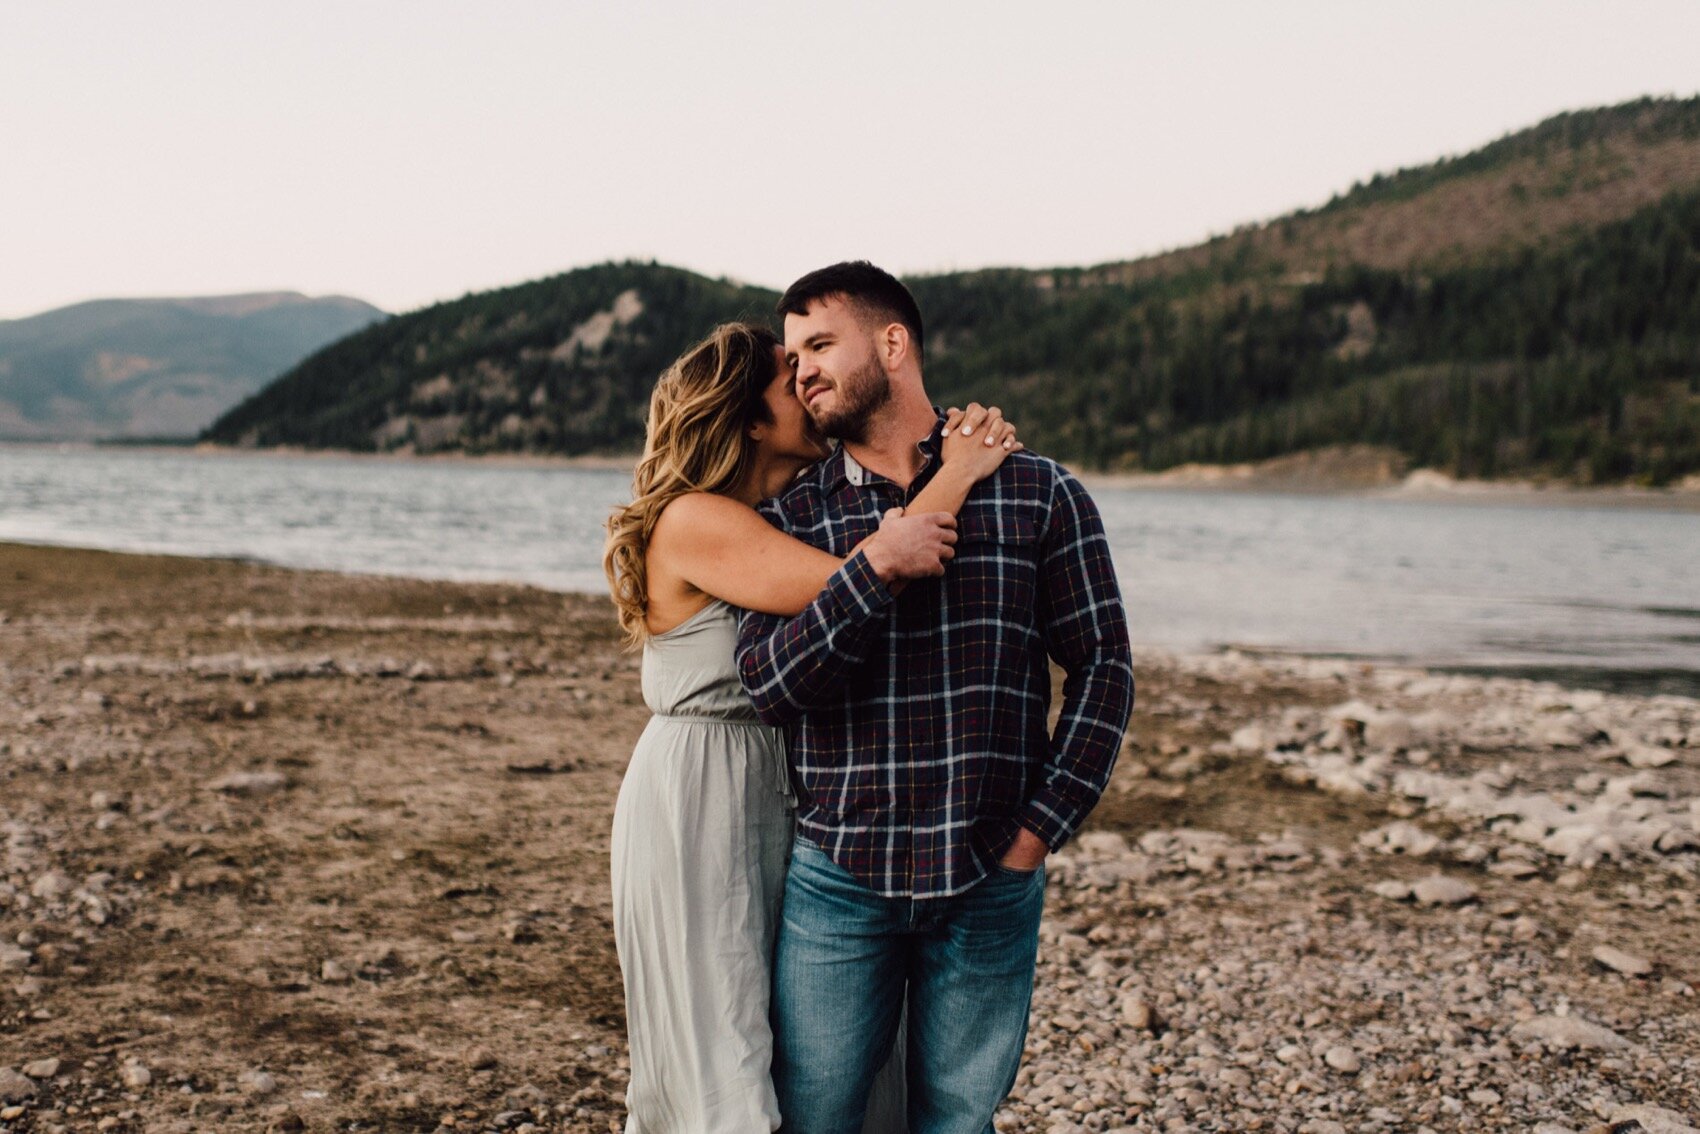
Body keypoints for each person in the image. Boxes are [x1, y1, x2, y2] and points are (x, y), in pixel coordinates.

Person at [736, 262, 1136, 1132]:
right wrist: (875, 569)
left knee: (960, 1120)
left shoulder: (1039, 492)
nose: (800, 369)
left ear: (892, 343)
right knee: (814, 1116)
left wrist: (1037, 833)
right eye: (792, 354)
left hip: (989, 870)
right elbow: (771, 686)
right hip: (839, 874)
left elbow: (1105, 667)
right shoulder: (790, 518)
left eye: (819, 344)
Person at [603, 320, 1021, 1133]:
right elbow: (868, 577)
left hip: (777, 786)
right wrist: (960, 468)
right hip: (701, 795)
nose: (810, 385)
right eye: (789, 376)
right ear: (749, 417)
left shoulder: (777, 512)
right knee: (722, 1045)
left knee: (802, 1041)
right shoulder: (695, 518)